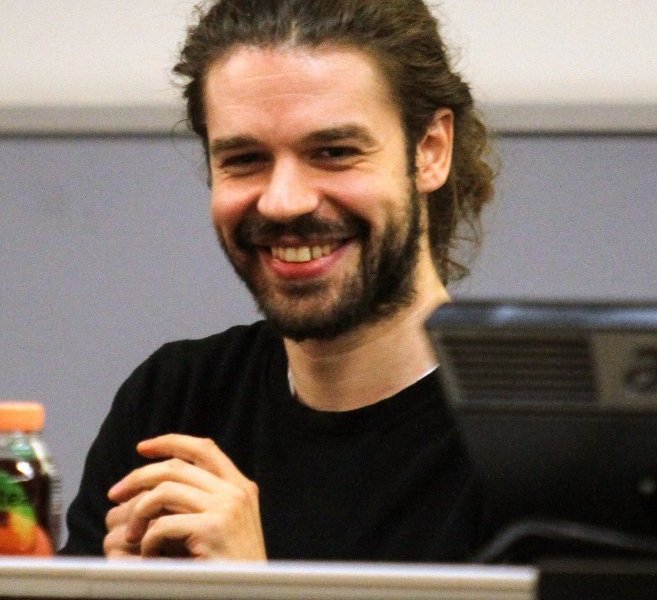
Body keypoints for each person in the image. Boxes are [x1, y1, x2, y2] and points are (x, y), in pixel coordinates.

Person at [61, 0, 497, 561]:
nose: (284, 201)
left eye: (334, 152)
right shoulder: (174, 401)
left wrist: (252, 589)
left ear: (431, 151)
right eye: (245, 159)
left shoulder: (535, 443)